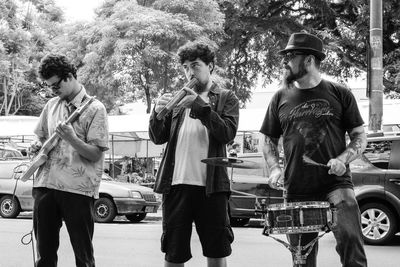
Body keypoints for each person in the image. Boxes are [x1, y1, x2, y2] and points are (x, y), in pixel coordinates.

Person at [260, 32, 368, 267]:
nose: (285, 62)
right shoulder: (279, 97)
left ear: (308, 60)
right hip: (297, 187)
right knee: (302, 257)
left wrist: (343, 159)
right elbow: (267, 139)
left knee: (351, 240)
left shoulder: (340, 93)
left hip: (335, 184)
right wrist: (274, 169)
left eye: (290, 56)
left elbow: (360, 136)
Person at [149, 41, 239, 267]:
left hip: (212, 188)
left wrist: (198, 106)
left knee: (216, 250)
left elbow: (227, 133)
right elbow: (157, 137)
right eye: (186, 67)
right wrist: (156, 113)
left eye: (195, 65)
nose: (190, 72)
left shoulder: (227, 97)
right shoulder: (176, 99)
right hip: (176, 185)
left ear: (211, 66)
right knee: (173, 253)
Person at [29, 53, 109, 267]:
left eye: (55, 86)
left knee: (83, 256)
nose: (52, 91)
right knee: (44, 256)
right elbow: (41, 136)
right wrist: (36, 146)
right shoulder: (51, 105)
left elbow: (96, 154)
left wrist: (72, 139)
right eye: (49, 87)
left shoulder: (95, 108)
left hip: (78, 190)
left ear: (70, 77)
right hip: (46, 185)